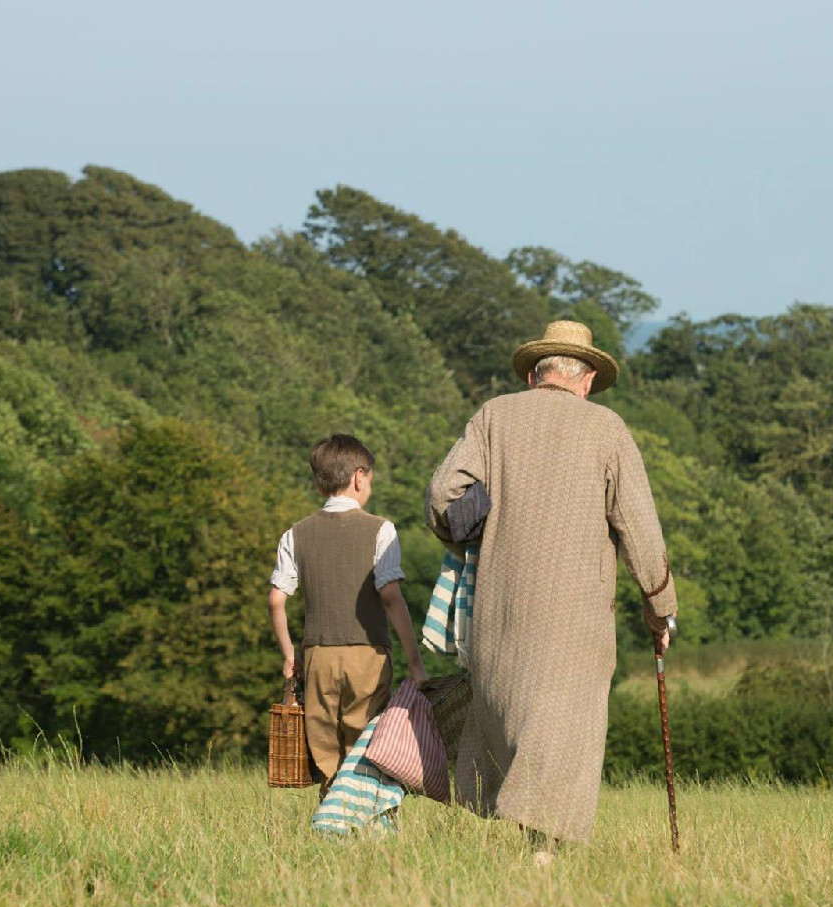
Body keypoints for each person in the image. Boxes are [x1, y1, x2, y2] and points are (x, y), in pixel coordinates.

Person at [427, 321, 676, 852]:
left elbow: (444, 499)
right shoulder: (607, 429)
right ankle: (543, 856)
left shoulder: (494, 416)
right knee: (562, 735)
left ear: (538, 374)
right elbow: (640, 529)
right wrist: (660, 607)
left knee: (516, 725)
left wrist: (484, 519)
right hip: (577, 622)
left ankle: (532, 850)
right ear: (585, 378)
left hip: (499, 615)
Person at [268, 434, 427, 790]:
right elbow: (390, 595)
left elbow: (276, 600)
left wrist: (289, 655)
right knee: (367, 744)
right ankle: (367, 822)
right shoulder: (381, 530)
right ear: (359, 476)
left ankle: (331, 820)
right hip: (367, 655)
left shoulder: (295, 534)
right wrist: (415, 663)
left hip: (317, 656)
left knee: (325, 748)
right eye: (369, 478)